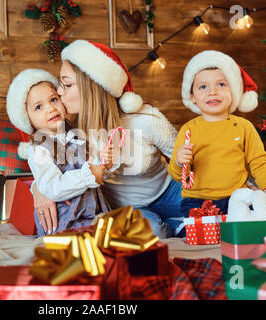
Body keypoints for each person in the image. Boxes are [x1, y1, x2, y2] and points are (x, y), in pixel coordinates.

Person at [32, 40, 185, 239]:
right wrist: (37, 189)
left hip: (169, 191)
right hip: (129, 209)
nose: (59, 92)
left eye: (67, 84)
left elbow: (182, 155)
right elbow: (47, 163)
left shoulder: (144, 119)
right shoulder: (70, 131)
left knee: (214, 207)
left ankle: (186, 220)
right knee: (153, 231)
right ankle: (177, 226)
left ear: (92, 88)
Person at [168, 50, 266, 216]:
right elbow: (178, 176)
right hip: (197, 200)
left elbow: (259, 162)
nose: (212, 91)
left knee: (246, 232)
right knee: (200, 238)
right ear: (192, 96)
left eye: (221, 84)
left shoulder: (243, 127)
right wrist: (179, 162)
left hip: (237, 198)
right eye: (203, 86)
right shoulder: (189, 130)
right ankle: (181, 228)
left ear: (233, 91)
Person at [6, 68, 111, 236]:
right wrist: (88, 175)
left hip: (93, 214)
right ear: (28, 120)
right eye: (39, 107)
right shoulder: (39, 150)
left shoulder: (77, 137)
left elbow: (95, 170)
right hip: (66, 221)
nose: (50, 109)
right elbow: (52, 187)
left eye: (53, 99)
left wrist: (104, 162)